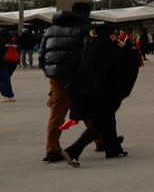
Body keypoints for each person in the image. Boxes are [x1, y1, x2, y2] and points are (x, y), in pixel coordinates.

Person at [58, 23, 140, 166]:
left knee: (108, 120)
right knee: (102, 123)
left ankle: (113, 149)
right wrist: (121, 44)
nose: (115, 36)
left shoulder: (88, 49)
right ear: (108, 35)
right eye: (113, 34)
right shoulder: (111, 50)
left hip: (89, 93)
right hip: (106, 93)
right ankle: (74, 150)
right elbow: (134, 58)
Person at [38, 2, 93, 163]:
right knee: (87, 108)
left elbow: (42, 53)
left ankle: (52, 148)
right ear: (87, 13)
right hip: (76, 75)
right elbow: (89, 53)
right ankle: (101, 140)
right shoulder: (85, 28)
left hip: (55, 76)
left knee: (57, 112)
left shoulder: (50, 28)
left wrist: (49, 72)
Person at [1, 30, 18, 102]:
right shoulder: (12, 43)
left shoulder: (2, 43)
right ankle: (5, 94)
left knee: (4, 80)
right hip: (12, 64)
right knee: (4, 79)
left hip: (3, 64)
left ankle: (9, 95)